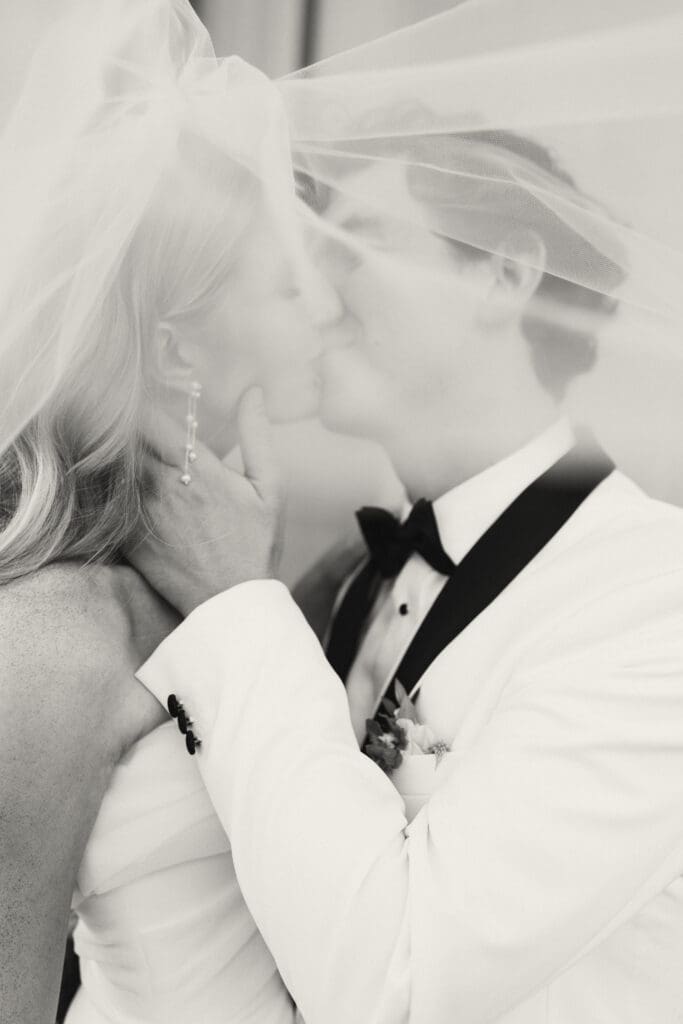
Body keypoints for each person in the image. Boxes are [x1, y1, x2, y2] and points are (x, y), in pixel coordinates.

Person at [129, 129, 683, 1023]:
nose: (312, 291)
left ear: (502, 275)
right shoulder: (346, 582)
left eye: (352, 244)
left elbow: (399, 980)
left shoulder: (654, 600)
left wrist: (234, 604)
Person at [0, 2, 332, 1022]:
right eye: (288, 285)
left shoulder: (230, 569)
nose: (324, 308)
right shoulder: (49, 644)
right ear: (181, 347)